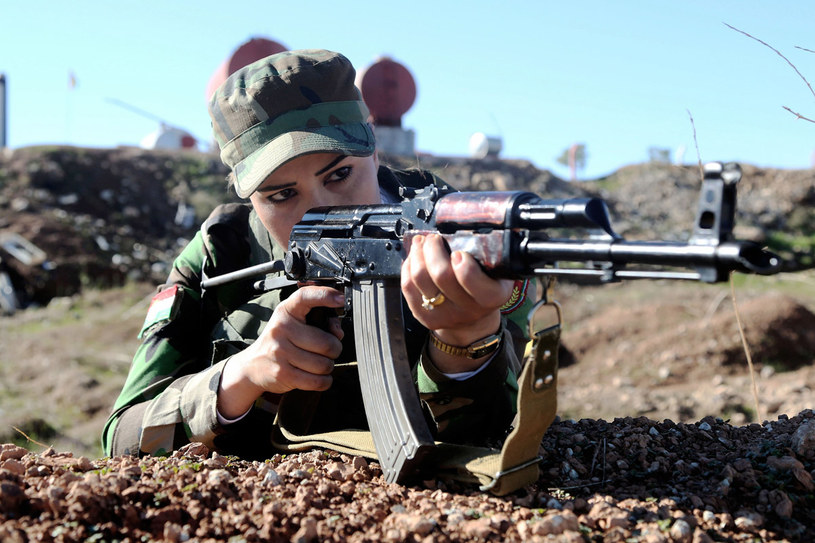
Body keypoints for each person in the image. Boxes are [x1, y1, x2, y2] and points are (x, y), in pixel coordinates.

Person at [103, 49, 535, 459]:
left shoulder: (462, 231)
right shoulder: (221, 252)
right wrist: (243, 376)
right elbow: (121, 438)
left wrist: (464, 342)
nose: (319, 209)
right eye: (282, 194)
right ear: (247, 194)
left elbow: (504, 431)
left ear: (373, 145)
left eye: (341, 174)